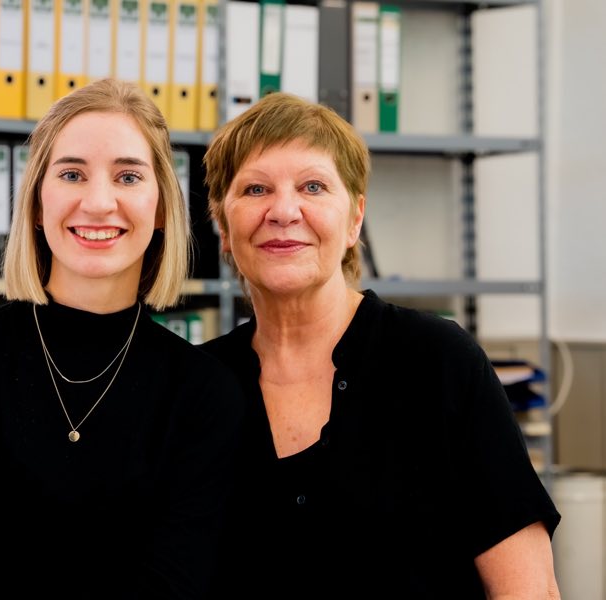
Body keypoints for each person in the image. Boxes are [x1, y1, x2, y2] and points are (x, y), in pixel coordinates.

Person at [0, 78, 245, 599]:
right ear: (36, 203)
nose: (99, 203)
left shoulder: (205, 394)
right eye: (72, 173)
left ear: (162, 208)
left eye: (128, 176)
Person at [200, 92, 562, 598]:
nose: (284, 211)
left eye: (313, 186)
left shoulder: (438, 361)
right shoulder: (198, 385)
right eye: (256, 189)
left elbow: (529, 590)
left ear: (354, 219)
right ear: (221, 224)